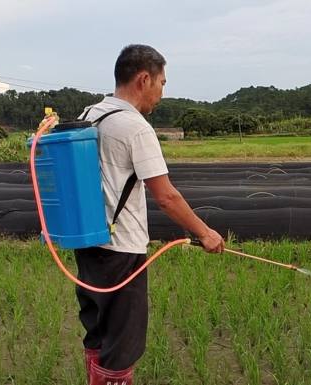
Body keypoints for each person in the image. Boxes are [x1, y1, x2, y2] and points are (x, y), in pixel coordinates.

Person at [74, 44, 225, 385]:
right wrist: (205, 233)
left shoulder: (90, 115)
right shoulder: (134, 127)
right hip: (122, 253)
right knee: (122, 344)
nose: (162, 92)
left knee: (97, 333)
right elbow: (167, 197)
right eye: (162, 82)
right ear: (144, 79)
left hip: (88, 246)